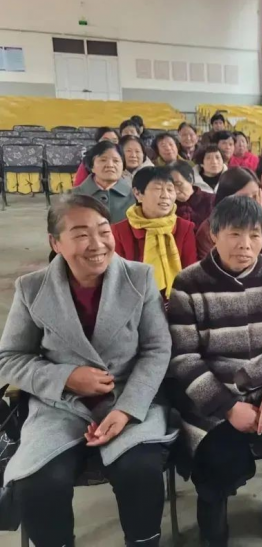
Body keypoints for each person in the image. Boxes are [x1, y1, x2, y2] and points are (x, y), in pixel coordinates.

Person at [0, 195, 175, 547]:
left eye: (103, 230)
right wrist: (65, 377)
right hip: (60, 406)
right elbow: (10, 357)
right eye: (80, 234)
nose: (97, 244)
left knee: (140, 472)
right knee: (38, 484)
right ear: (55, 242)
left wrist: (127, 409)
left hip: (129, 398)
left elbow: (157, 349)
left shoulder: (139, 278)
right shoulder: (32, 289)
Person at [167, 196, 262, 545]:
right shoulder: (189, 284)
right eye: (235, 234)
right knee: (219, 461)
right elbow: (184, 358)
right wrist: (227, 407)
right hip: (216, 396)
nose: (245, 245)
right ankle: (213, 520)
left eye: (254, 235)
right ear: (214, 234)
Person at [112, 167, 197, 298]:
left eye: (170, 189)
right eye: (158, 189)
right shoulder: (119, 231)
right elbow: (118, 277)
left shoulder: (184, 228)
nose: (165, 195)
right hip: (135, 300)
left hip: (176, 300)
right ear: (138, 194)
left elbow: (190, 272)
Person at [195, 168, 262, 265]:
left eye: (255, 196)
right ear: (226, 198)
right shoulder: (210, 228)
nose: (251, 203)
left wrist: (261, 221)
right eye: (243, 198)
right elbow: (212, 268)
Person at [72, 140, 135, 223]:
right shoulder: (72, 197)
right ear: (92, 167)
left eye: (116, 161)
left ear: (123, 167)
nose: (110, 165)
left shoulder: (136, 198)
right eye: (103, 160)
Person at [171, 161, 215, 233]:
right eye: (170, 186)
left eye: (179, 184)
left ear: (190, 178)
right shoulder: (169, 207)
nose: (175, 191)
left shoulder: (211, 200)